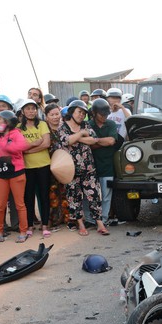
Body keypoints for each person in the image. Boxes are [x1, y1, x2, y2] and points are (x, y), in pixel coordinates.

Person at [52, 100, 108, 236]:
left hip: (88, 168)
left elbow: (93, 140)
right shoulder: (62, 127)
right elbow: (65, 140)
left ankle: (99, 223)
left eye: (83, 113)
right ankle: (81, 224)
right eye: (79, 112)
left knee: (93, 195)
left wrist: (76, 137)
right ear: (72, 112)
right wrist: (82, 134)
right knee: (74, 197)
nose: (81, 115)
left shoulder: (86, 125)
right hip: (70, 169)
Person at [0, 110, 30, 243]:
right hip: (1, 175)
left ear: (7, 122)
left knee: (19, 205)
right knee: (0, 205)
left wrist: (6, 144)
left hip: (16, 174)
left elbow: (21, 147)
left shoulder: (16, 134)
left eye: (0, 119)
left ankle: (23, 231)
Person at [17, 99, 52, 238]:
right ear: (23, 111)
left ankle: (44, 225)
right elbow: (20, 147)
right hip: (27, 167)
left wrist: (29, 149)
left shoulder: (42, 124)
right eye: (28, 108)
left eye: (33, 108)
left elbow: (46, 143)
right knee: (28, 197)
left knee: (44, 196)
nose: (31, 111)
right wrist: (36, 143)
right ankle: (30, 225)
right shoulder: (19, 127)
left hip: (43, 164)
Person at [88, 98, 119, 226]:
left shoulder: (111, 124)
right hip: (91, 166)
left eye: (107, 114)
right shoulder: (88, 125)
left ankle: (104, 219)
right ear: (94, 113)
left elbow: (111, 141)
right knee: (90, 196)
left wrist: (94, 140)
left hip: (107, 166)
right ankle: (90, 220)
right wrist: (102, 142)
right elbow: (88, 145)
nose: (105, 117)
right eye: (102, 114)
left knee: (106, 196)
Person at [44, 103, 69, 228]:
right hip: (49, 165)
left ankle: (68, 218)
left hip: (65, 165)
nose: (55, 117)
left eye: (57, 114)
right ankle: (54, 219)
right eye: (51, 115)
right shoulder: (44, 129)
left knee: (66, 191)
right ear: (46, 116)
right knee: (52, 193)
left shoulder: (65, 128)